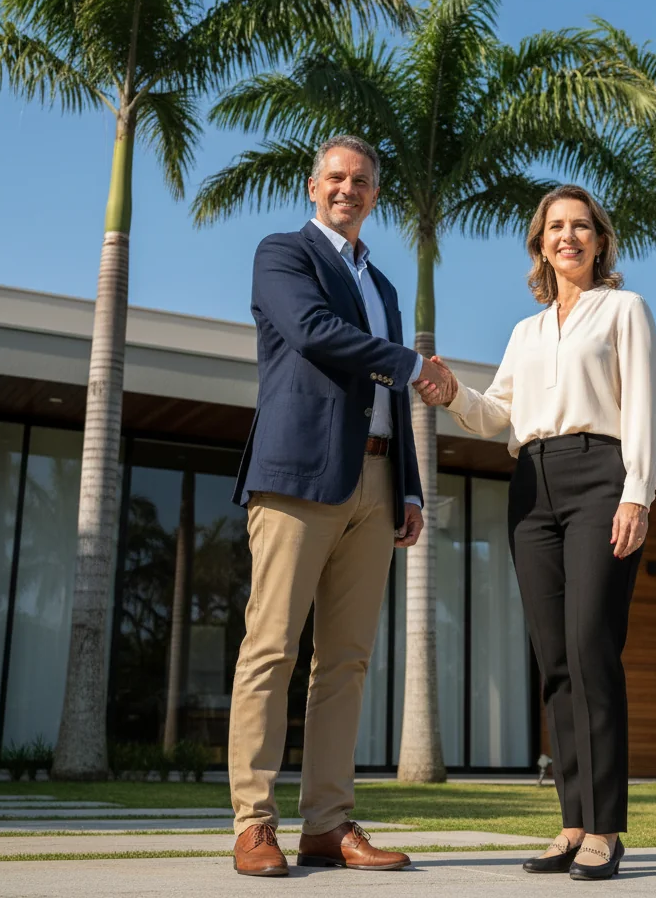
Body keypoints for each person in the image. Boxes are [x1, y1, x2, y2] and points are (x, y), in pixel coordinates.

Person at [417, 184, 656, 882]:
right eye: (556, 227)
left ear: (601, 241)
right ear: (539, 243)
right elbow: (499, 415)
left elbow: (642, 403)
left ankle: (607, 829)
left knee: (591, 646)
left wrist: (637, 495)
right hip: (532, 484)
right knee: (555, 659)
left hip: (600, 476)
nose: (569, 237)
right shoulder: (525, 333)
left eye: (582, 226)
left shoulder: (625, 310)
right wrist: (452, 395)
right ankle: (573, 821)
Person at [228, 134, 452, 877]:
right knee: (272, 648)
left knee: (347, 662)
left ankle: (327, 824)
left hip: (377, 482)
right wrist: (415, 362)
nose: (347, 189)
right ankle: (254, 824)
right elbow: (314, 333)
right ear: (312, 185)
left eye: (360, 180)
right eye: (335, 177)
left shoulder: (383, 286)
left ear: (375, 194)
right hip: (296, 477)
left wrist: (409, 487)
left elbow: (390, 395)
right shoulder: (282, 254)